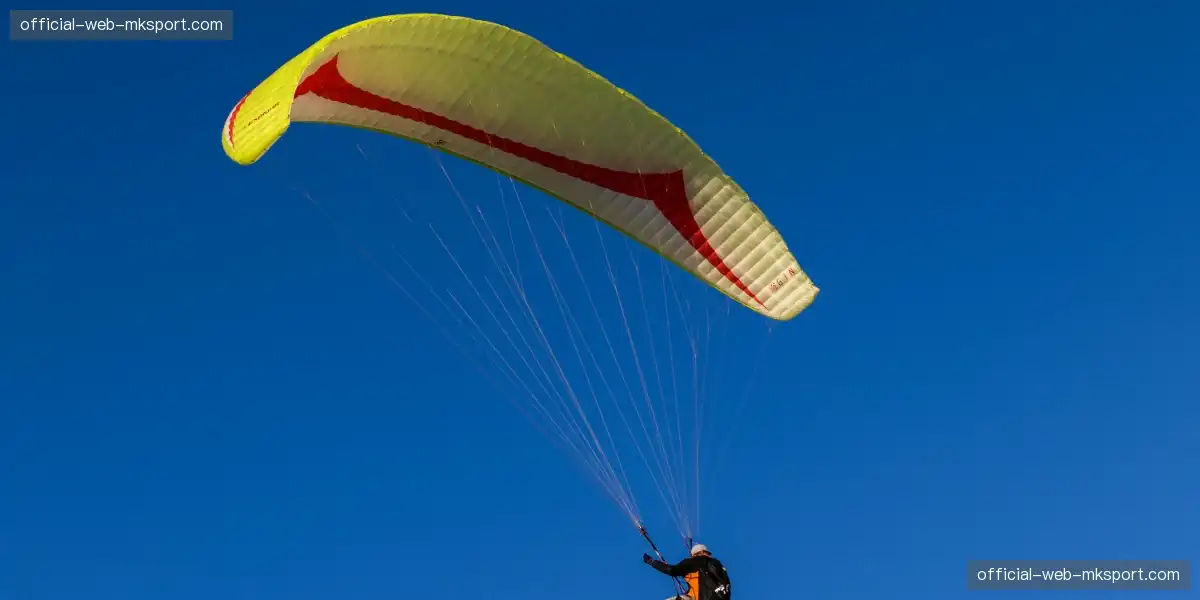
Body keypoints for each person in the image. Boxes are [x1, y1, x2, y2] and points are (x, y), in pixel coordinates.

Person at [642, 543, 732, 600]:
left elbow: (671, 570)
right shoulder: (719, 565)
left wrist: (652, 562)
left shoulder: (694, 562)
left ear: (695, 554)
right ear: (706, 553)